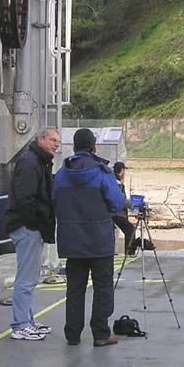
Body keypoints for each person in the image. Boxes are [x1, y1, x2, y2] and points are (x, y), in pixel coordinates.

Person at [52, 128, 126, 346]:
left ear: (74, 147)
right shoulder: (102, 172)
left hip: (71, 240)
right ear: (94, 147)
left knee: (75, 288)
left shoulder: (62, 173)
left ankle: (73, 334)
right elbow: (116, 202)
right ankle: (101, 333)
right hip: (99, 240)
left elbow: (54, 199)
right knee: (102, 287)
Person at [2, 127, 60, 341]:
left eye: (58, 141)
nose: (56, 144)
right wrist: (35, 224)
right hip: (27, 227)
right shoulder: (29, 162)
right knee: (26, 278)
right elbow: (25, 197)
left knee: (30, 276)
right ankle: (20, 324)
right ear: (40, 140)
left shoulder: (38, 161)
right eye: (52, 140)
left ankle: (27, 319)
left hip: (32, 227)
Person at [111, 161, 137, 256]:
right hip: (115, 213)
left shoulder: (115, 182)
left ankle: (129, 252)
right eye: (124, 171)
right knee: (130, 229)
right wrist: (132, 204)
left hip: (116, 212)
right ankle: (129, 253)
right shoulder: (116, 184)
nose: (124, 173)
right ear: (121, 171)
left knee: (128, 229)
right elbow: (120, 199)